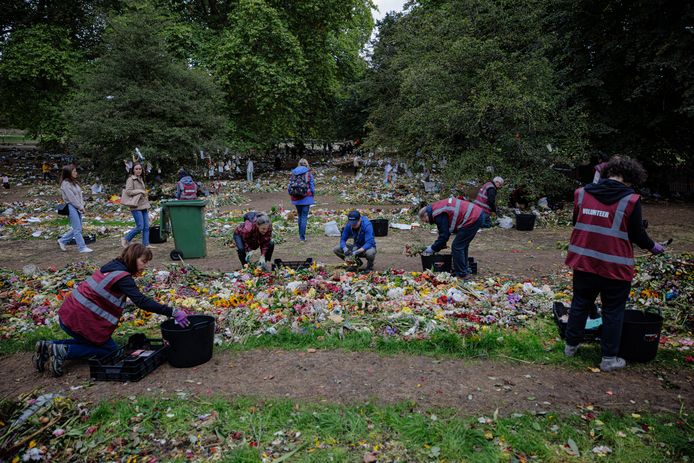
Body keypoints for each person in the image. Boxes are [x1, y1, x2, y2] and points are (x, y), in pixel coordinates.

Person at [564, 157, 664, 372]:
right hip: (615, 267)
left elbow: (576, 221)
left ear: (608, 172)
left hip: (584, 262)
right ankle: (609, 359)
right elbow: (637, 234)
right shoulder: (631, 200)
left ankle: (570, 347)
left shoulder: (581, 194)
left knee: (580, 303)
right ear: (630, 178)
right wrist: (654, 247)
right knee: (613, 311)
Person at [33, 244, 189, 377]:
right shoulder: (122, 277)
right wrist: (173, 312)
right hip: (79, 320)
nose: (144, 266)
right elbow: (141, 301)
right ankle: (63, 351)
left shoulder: (112, 267)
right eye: (143, 261)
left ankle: (48, 346)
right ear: (133, 258)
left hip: (68, 315)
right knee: (110, 351)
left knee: (87, 342)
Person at [418, 197, 484, 279]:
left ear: (426, 214)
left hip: (472, 217)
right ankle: (464, 269)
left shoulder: (437, 213)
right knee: (462, 245)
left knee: (457, 246)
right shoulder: (437, 208)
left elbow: (444, 235)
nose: (428, 223)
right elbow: (445, 230)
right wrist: (441, 245)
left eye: (426, 221)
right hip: (476, 213)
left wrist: (433, 248)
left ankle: (462, 274)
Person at [57, 165, 92, 253]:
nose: (76, 173)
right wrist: (80, 207)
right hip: (71, 206)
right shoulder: (65, 184)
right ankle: (82, 247)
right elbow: (71, 198)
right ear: (69, 173)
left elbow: (79, 195)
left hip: (77, 206)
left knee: (78, 228)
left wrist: (82, 206)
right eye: (74, 171)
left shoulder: (74, 183)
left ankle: (62, 240)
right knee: (77, 229)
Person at [121, 162, 151, 248]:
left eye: (140, 169)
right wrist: (140, 191)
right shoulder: (131, 179)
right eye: (136, 169)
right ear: (133, 170)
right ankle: (125, 239)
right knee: (140, 226)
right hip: (135, 205)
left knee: (146, 226)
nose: (138, 170)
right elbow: (128, 191)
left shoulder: (140, 178)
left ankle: (146, 244)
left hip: (143, 204)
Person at [288, 159, 315, 242]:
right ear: (306, 164)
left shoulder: (293, 172)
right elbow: (311, 185)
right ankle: (302, 237)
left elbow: (289, 185)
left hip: (296, 197)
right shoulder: (308, 173)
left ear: (299, 164)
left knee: (300, 216)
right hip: (306, 197)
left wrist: (290, 193)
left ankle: (301, 236)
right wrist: (312, 194)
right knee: (304, 217)